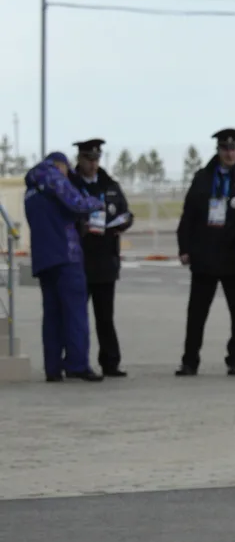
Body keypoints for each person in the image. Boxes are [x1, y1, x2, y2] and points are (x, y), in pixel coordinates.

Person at [23, 152, 105, 382]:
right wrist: (97, 203)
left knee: (52, 315)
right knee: (75, 312)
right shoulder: (53, 176)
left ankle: (52, 368)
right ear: (62, 165)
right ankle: (77, 365)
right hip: (66, 256)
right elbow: (77, 203)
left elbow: (54, 214)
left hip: (43, 258)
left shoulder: (31, 189)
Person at [175, 128, 235, 376]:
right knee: (197, 313)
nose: (230, 153)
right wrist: (184, 247)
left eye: (234, 149)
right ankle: (190, 360)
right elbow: (189, 215)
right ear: (218, 150)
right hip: (205, 253)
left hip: (234, 256)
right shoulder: (203, 178)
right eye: (225, 149)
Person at [69, 139, 133, 377]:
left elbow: (125, 212)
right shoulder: (70, 186)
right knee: (76, 316)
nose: (93, 164)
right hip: (79, 259)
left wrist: (124, 222)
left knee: (105, 317)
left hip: (106, 259)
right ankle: (75, 361)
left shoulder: (110, 185)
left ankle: (110, 362)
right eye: (88, 159)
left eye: (96, 159)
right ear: (80, 159)